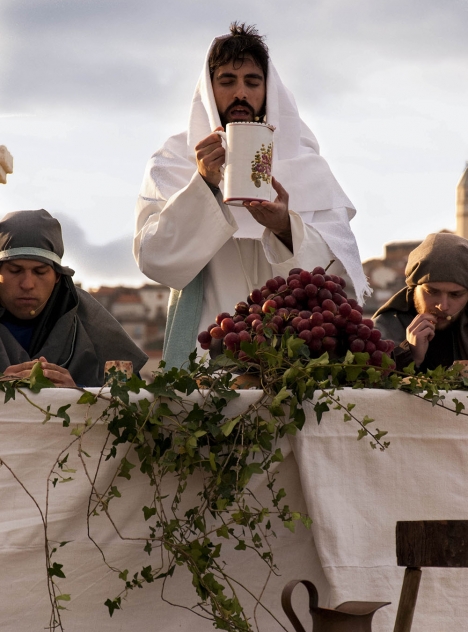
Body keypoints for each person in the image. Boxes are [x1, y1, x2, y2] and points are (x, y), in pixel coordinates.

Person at [134, 22, 369, 368]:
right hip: (206, 358)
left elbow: (334, 275)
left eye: (252, 82)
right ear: (209, 89)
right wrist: (203, 185)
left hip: (293, 364)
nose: (240, 93)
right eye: (227, 81)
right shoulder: (173, 161)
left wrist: (285, 228)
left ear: (267, 90)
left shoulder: (305, 164)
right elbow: (154, 259)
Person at [0, 209, 148, 386]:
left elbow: (127, 402)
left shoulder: (95, 326)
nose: (27, 284)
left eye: (40, 272)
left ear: (57, 277)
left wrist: (75, 397)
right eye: (15, 270)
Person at [373, 232, 468, 371]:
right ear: (414, 287)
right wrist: (409, 356)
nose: (443, 306)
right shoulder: (383, 331)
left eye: (455, 295)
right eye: (432, 292)